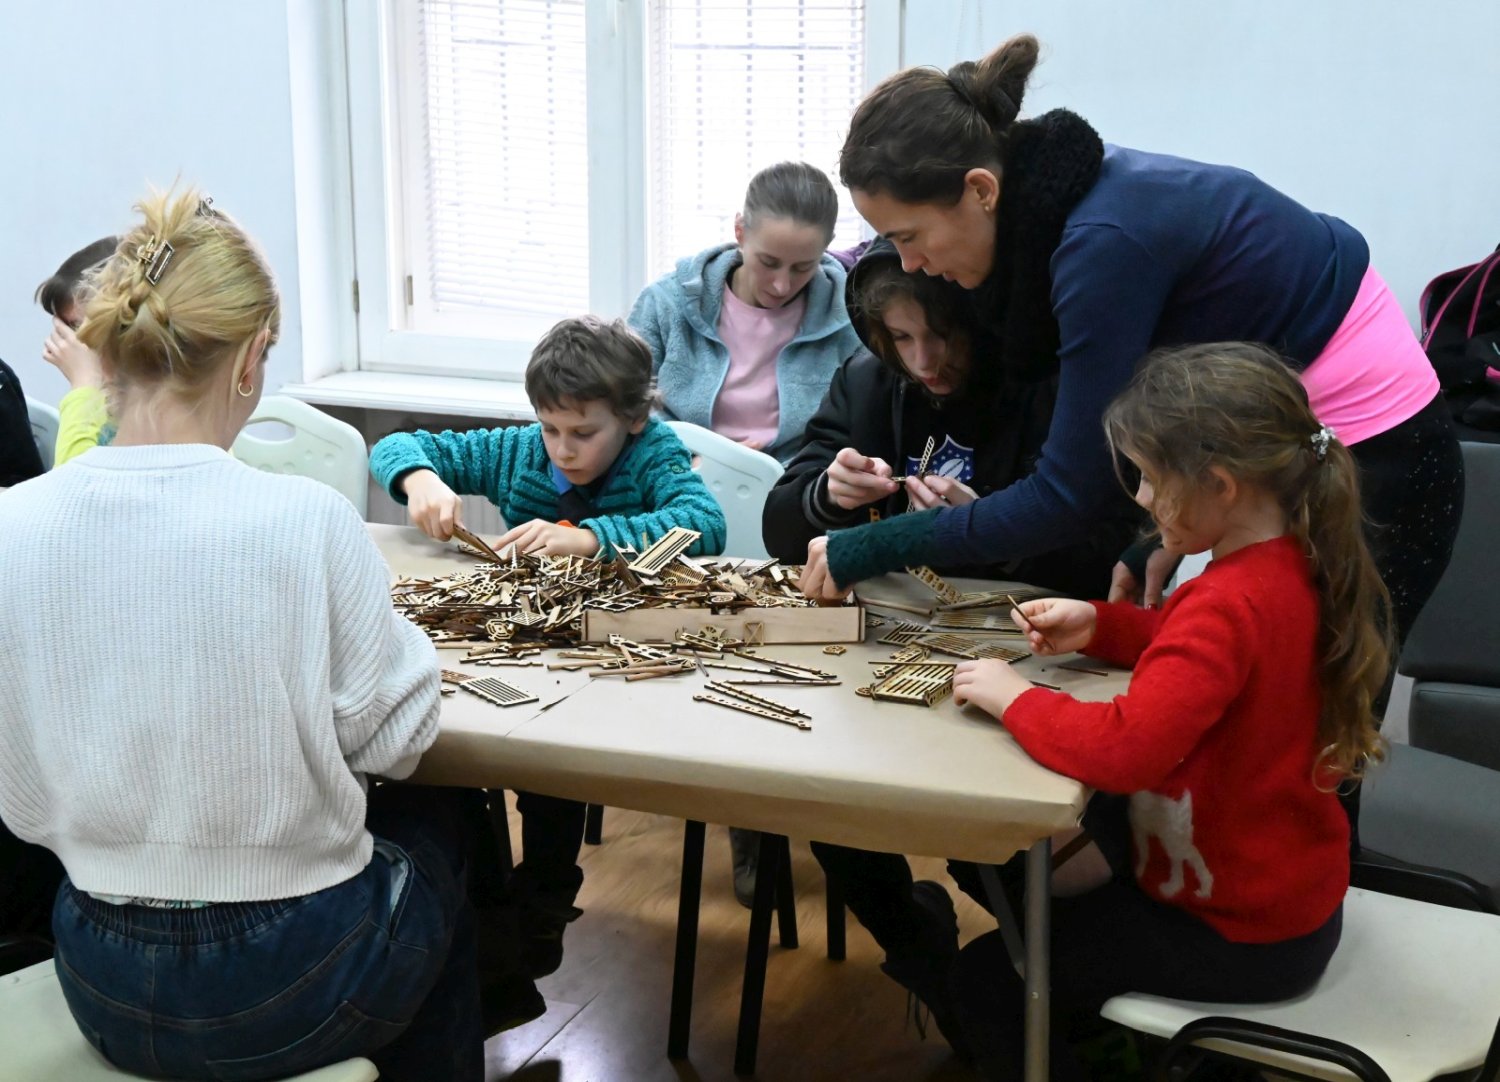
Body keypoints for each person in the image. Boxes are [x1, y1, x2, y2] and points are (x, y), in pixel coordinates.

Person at [0, 189, 487, 1081]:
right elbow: (398, 740)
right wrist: (406, 647)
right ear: (253, 357)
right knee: (444, 821)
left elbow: (20, 791)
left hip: (101, 978)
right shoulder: (307, 518)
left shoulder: (10, 526)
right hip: (287, 979)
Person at [799, 34, 1462, 679]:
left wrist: (873, 545)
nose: (910, 263)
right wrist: (1155, 534)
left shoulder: (1100, 245)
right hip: (1298, 449)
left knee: (1317, 718)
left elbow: (1066, 495)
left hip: (1385, 458)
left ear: (980, 190)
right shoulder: (1066, 204)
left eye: (908, 236)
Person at [944, 342, 1390, 1080]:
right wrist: (1102, 624)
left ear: (1220, 484)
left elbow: (1127, 749)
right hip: (1286, 907)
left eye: (1151, 478)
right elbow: (1200, 653)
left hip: (1231, 932)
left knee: (989, 980)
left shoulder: (1226, 600)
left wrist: (1013, 696)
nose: (1143, 499)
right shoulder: (1292, 562)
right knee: (1027, 893)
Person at [370, 315, 726, 973]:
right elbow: (400, 445)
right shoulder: (520, 452)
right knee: (457, 746)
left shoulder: (655, 452)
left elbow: (704, 525)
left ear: (633, 419)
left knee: (550, 773)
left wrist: (589, 540)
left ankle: (544, 900)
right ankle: (489, 906)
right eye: (551, 428)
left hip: (624, 662)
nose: (563, 449)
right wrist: (421, 480)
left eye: (584, 434)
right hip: (536, 649)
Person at [764, 237, 1140, 596]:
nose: (923, 362)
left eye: (942, 334)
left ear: (981, 323)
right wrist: (828, 495)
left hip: (1013, 624)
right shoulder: (865, 384)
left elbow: (1108, 561)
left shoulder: (1049, 390)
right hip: (882, 617)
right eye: (901, 337)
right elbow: (780, 535)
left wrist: (992, 531)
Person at [628, 160, 862, 465]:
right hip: (676, 473)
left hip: (795, 480)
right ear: (740, 231)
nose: (781, 285)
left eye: (803, 267)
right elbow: (623, 406)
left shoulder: (849, 319)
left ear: (827, 247)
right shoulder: (665, 303)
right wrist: (691, 460)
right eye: (768, 262)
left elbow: (855, 427)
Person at [36, 236, 120, 464]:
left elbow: (74, 482)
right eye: (65, 329)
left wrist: (85, 383)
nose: (70, 343)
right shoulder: (105, 400)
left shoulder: (161, 400)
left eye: (78, 327)